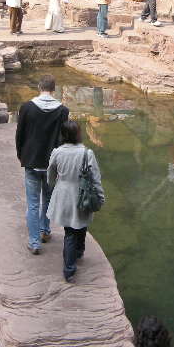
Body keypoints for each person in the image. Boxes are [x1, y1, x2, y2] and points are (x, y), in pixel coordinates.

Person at [15, 75, 70, 255]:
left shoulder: (27, 108)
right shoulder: (62, 111)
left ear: (39, 87)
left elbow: (20, 135)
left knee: (32, 204)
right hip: (51, 164)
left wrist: (21, 155)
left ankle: (34, 242)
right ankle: (45, 231)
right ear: (54, 89)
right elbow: (63, 139)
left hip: (31, 161)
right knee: (47, 198)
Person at [46, 120, 105, 283]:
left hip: (64, 194)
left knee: (69, 231)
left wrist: (53, 186)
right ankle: (76, 256)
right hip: (82, 193)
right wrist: (100, 195)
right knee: (80, 224)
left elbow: (50, 175)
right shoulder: (87, 153)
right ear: (78, 134)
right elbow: (95, 178)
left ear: (63, 135)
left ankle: (70, 267)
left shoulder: (57, 152)